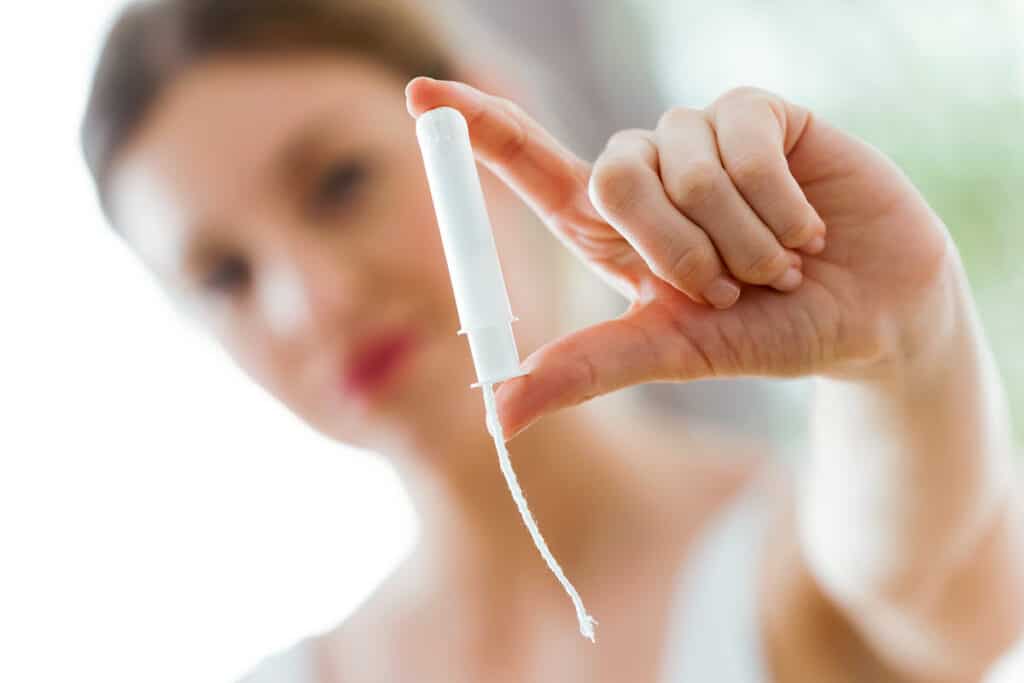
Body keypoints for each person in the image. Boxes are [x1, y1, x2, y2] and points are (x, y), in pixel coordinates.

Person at [81, 0, 1024, 680]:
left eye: (338, 183)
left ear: (489, 132)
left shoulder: (795, 562)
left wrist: (912, 346)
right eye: (224, 275)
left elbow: (939, 591)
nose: (312, 302)